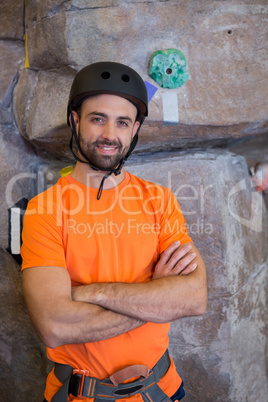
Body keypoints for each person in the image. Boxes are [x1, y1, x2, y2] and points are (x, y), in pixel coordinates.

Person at [21, 62, 207, 402]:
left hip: (162, 390)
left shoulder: (159, 201)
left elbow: (193, 298)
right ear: (76, 121)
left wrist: (90, 293)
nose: (110, 134)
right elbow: (55, 326)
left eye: (122, 122)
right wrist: (156, 297)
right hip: (81, 396)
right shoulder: (44, 209)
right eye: (97, 118)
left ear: (135, 129)